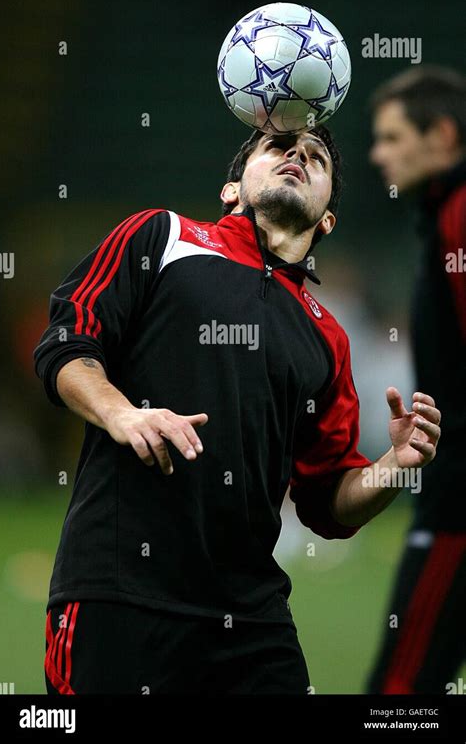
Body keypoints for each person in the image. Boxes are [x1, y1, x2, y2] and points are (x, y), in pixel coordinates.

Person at [34, 124, 441, 695]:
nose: (297, 154)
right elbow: (66, 345)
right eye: (278, 146)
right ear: (232, 189)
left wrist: (392, 467)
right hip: (119, 592)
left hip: (253, 620)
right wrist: (123, 413)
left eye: (316, 157)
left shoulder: (328, 337)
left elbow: (329, 502)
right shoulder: (162, 236)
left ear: (327, 220)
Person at [366, 66, 466, 694]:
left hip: (459, 508)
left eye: (393, 137)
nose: (378, 153)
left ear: (444, 135)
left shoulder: (460, 217)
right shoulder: (444, 214)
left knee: (399, 695)